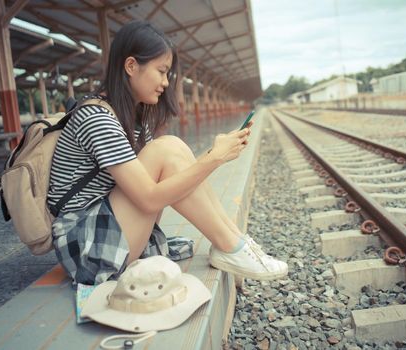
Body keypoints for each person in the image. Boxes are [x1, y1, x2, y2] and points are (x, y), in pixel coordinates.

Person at [47, 20, 288, 286]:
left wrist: (212, 156)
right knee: (167, 149)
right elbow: (150, 200)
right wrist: (213, 158)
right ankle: (230, 246)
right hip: (86, 248)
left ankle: (233, 241)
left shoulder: (129, 118)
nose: (165, 83)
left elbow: (168, 182)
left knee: (174, 149)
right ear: (130, 66)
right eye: (161, 71)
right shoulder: (97, 118)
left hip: (107, 233)